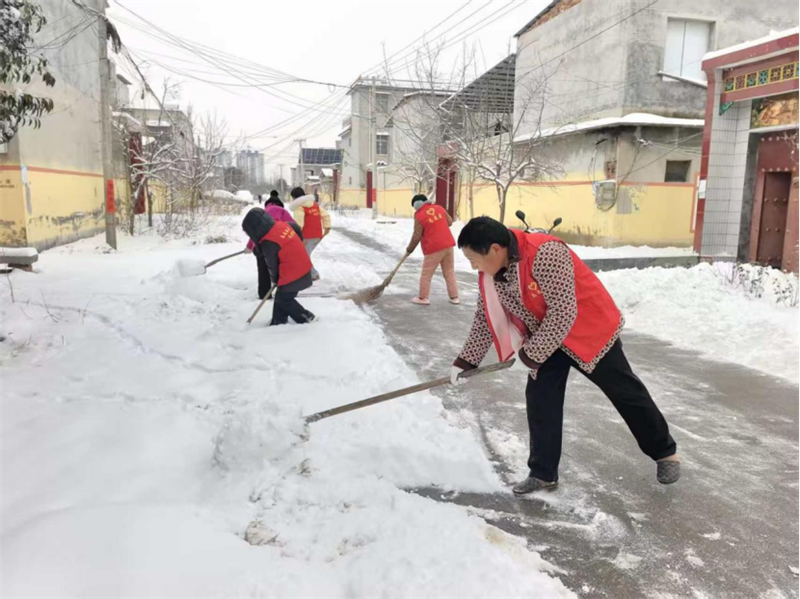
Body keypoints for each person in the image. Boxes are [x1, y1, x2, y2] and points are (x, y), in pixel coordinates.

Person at [449, 216, 679, 494]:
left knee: (624, 391)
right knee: (541, 399)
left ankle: (665, 452)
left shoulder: (545, 253)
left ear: (495, 249)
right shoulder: (492, 274)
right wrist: (466, 361)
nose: (473, 266)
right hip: (546, 336)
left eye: (474, 259)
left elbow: (563, 312)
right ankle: (543, 473)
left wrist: (530, 356)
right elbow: (484, 318)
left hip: (588, 329)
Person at [242, 208, 316, 326]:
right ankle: (278, 322)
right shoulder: (281, 225)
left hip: (294, 273)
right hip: (302, 266)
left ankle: (306, 317)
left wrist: (276, 280)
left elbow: (272, 266)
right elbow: (296, 228)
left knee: (284, 300)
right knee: (280, 297)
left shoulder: (269, 241)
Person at [405, 194, 459, 306]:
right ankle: (454, 297)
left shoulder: (419, 216)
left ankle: (423, 297)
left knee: (426, 274)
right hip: (448, 245)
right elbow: (449, 221)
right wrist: (437, 223)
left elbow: (416, 236)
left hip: (434, 247)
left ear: (416, 205)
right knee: (449, 272)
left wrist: (409, 249)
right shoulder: (439, 208)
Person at [243, 197, 296, 300]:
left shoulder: (262, 213)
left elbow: (255, 232)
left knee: (263, 269)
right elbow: (293, 226)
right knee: (281, 268)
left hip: (260, 245)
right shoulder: (283, 211)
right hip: (278, 244)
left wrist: (249, 247)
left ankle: (264, 294)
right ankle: (284, 293)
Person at [288, 187, 330, 281]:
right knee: (304, 255)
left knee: (303, 256)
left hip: (306, 237)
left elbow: (298, 225)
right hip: (317, 236)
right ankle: (306, 274)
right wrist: (327, 227)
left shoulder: (299, 207)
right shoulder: (315, 205)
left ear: (294, 197)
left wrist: (293, 237)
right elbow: (326, 215)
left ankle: (313, 275)